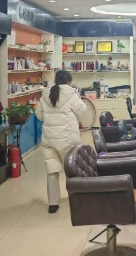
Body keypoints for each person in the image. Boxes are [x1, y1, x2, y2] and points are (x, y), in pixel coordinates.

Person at [35, 70, 87, 213]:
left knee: (52, 170)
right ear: (68, 80)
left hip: (49, 140)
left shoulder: (46, 93)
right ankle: (76, 197)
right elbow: (83, 110)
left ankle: (53, 203)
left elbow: (39, 115)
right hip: (67, 139)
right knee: (72, 169)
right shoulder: (71, 93)